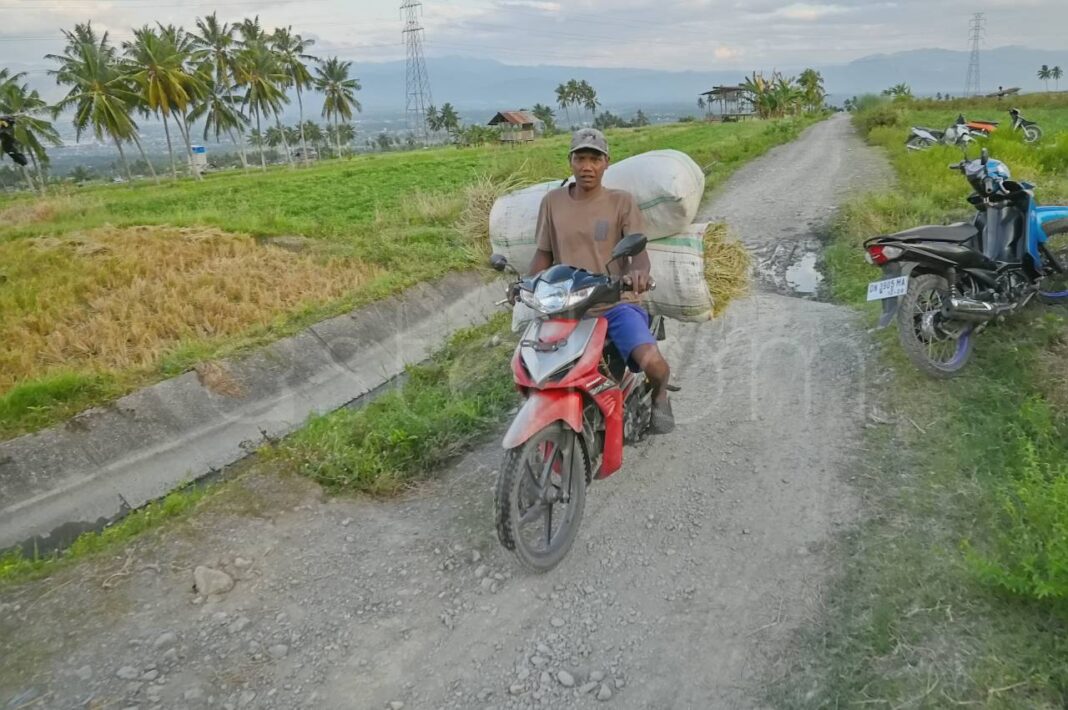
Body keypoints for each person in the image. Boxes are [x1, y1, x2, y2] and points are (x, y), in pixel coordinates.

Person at [526, 127, 675, 434]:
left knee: (652, 363)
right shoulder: (552, 202)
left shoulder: (621, 202)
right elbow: (543, 253)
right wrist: (527, 284)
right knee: (533, 368)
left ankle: (660, 393)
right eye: (580, 158)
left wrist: (638, 274)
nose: (587, 166)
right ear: (570, 162)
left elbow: (639, 253)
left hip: (614, 304)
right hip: (565, 307)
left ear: (607, 162)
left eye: (595, 159)